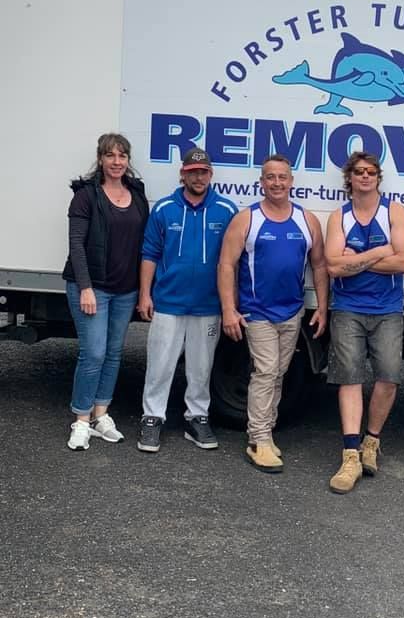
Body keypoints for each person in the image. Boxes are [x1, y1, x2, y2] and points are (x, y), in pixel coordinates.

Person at [218, 155, 329, 473]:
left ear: (291, 182)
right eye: (270, 177)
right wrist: (229, 310)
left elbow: (319, 265)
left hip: (292, 312)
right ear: (262, 183)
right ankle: (258, 440)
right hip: (257, 312)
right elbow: (226, 265)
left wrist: (322, 308)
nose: (277, 183)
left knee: (279, 373)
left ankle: (266, 430)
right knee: (266, 372)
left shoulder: (307, 220)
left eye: (282, 177)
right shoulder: (247, 219)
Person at [324, 151, 404, 494]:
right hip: (348, 307)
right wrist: (380, 252)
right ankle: (350, 455)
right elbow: (333, 266)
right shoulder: (339, 216)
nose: (365, 176)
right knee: (349, 378)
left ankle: (371, 442)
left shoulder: (394, 212)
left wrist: (355, 260)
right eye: (359, 171)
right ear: (349, 178)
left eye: (371, 172)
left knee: (388, 378)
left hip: (387, 309)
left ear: (378, 178)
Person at [136, 148, 237, 453]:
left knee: (201, 367)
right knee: (160, 364)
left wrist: (231, 302)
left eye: (203, 172)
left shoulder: (226, 210)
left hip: (208, 304)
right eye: (192, 172)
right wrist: (145, 294)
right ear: (183, 174)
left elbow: (235, 260)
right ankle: (152, 417)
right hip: (168, 302)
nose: (198, 177)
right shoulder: (164, 208)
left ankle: (197, 417)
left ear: (211, 174)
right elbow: (150, 253)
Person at [63, 133, 149, 450]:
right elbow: (76, 245)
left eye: (122, 156)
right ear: (100, 159)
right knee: (94, 353)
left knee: (113, 353)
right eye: (110, 155)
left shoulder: (136, 194)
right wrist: (85, 288)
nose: (116, 161)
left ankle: (101, 415)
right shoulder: (86, 196)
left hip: (125, 290)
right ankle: (81, 420)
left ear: (128, 160)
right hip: (92, 288)